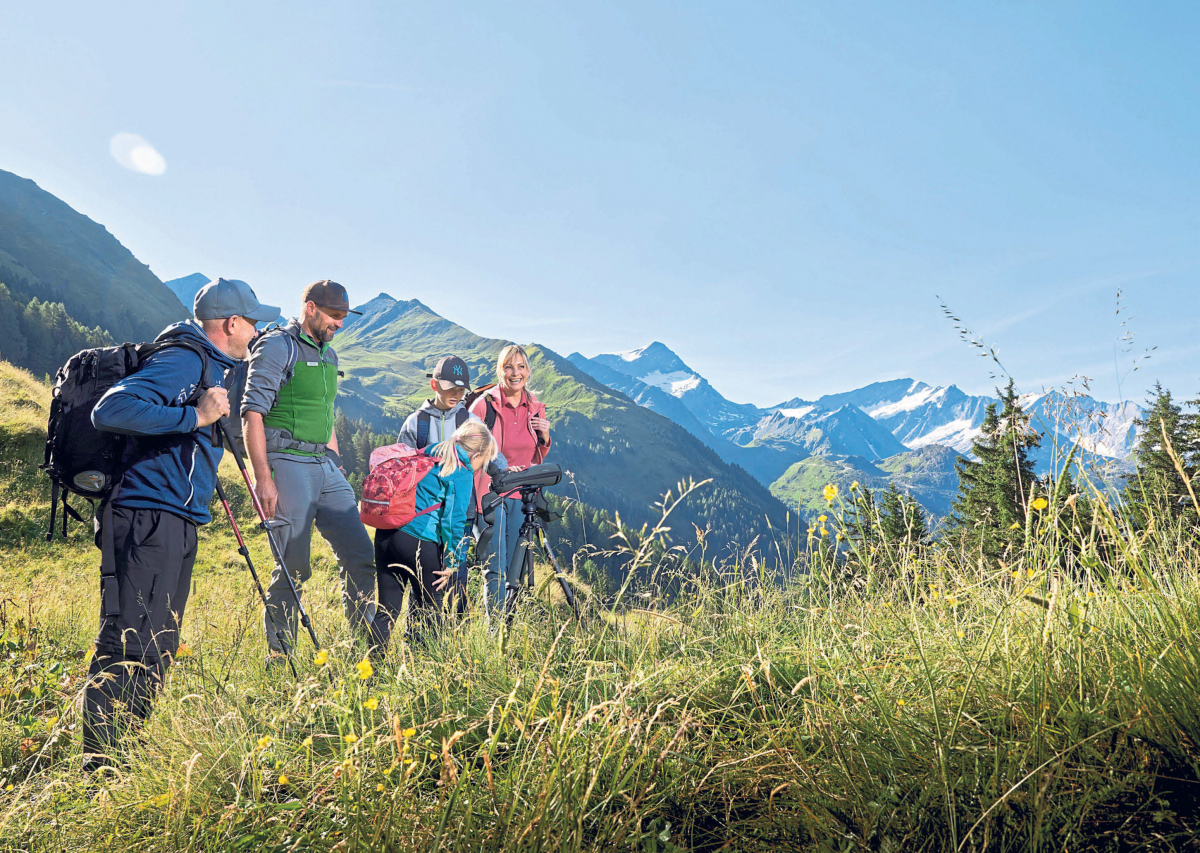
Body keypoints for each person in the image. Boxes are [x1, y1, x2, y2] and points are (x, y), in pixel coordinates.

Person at [83, 277, 278, 771]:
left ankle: (126, 751)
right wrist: (194, 417)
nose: (255, 332)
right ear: (231, 324)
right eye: (252, 322)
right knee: (130, 637)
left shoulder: (212, 366)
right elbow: (112, 408)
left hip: (176, 516)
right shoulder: (185, 358)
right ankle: (100, 767)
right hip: (148, 512)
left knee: (159, 640)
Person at [240, 279, 377, 662]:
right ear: (311, 308)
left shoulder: (329, 356)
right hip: (285, 462)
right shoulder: (277, 346)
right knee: (293, 567)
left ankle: (364, 652)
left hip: (324, 465)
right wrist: (262, 478)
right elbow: (251, 412)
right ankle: (281, 659)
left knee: (360, 554)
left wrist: (333, 457)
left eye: (344, 318)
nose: (340, 324)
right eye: (334, 316)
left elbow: (325, 410)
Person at [372, 421, 498, 649]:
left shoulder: (426, 453)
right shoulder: (461, 470)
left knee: (387, 610)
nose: (481, 467)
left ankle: (370, 676)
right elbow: (454, 521)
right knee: (431, 611)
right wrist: (453, 563)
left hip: (386, 535)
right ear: (477, 454)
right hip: (418, 542)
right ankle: (429, 673)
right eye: (484, 461)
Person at [468, 344, 552, 614]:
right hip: (488, 496)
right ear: (500, 370)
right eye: (508, 367)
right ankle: (495, 633)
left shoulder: (536, 408)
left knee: (515, 569)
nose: (515, 373)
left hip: (521, 496)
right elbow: (467, 448)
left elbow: (535, 456)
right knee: (496, 566)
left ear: (528, 371)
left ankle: (509, 626)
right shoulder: (485, 405)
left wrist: (546, 438)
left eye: (520, 367)